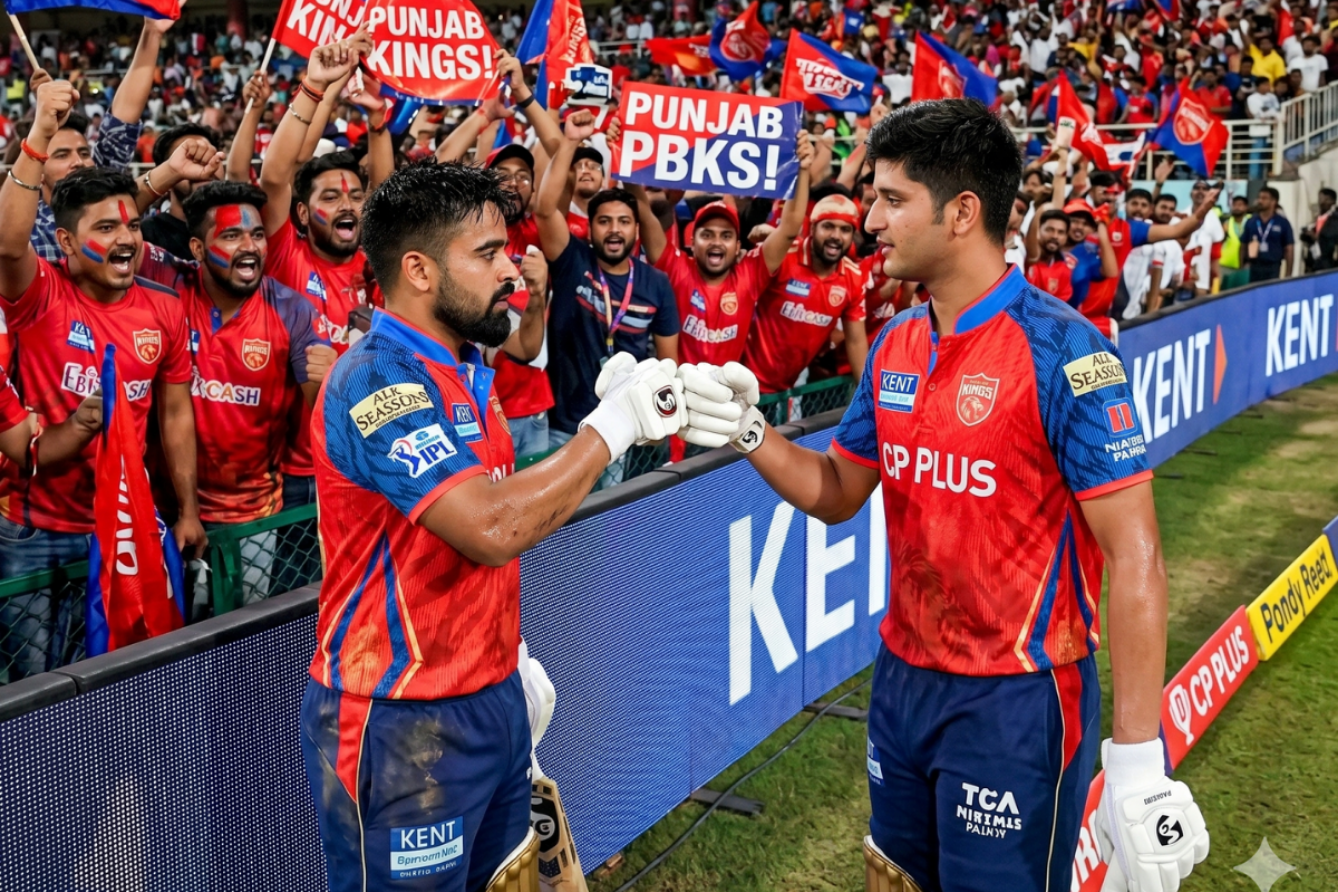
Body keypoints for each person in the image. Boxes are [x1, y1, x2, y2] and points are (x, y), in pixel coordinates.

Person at [674, 99, 1210, 892]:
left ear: (961, 213)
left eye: (892, 200)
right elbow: (838, 491)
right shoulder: (896, 340)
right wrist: (748, 431)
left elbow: (1137, 554)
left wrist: (1135, 761)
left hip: (1017, 697)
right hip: (902, 681)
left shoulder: (1065, 349)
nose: (870, 221)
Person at [302, 161, 683, 892]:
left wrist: (507, 659)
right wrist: (612, 428)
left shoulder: (466, 365)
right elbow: (489, 526)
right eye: (487, 254)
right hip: (402, 717)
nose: (512, 270)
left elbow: (498, 510)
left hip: (490, 693)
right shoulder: (375, 378)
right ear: (419, 270)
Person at [0, 80, 208, 676]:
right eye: (106, 229)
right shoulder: (39, 292)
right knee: (35, 686)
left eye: (132, 227)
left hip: (123, 524)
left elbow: (174, 415)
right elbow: (8, 243)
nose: (126, 241)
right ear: (66, 241)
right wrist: (41, 132)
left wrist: (187, 508)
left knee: (114, 681)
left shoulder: (164, 308)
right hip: (34, 529)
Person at [136, 181, 337, 604]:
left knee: (240, 632)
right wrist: (169, 172)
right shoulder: (168, 282)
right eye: (231, 235)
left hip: (252, 517)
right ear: (197, 247)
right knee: (168, 633)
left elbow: (322, 413)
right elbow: (110, 226)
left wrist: (331, 381)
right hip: (163, 511)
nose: (250, 247)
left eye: (257, 234)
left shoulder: (291, 309)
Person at [534, 109, 680, 476]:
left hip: (620, 430)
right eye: (604, 221)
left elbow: (668, 365)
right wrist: (570, 141)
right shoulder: (571, 259)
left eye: (624, 222)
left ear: (636, 230)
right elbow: (545, 210)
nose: (614, 230)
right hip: (563, 426)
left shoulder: (656, 283)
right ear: (589, 228)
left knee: (609, 512)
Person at [629, 131, 813, 367]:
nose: (716, 242)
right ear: (692, 242)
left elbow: (789, 228)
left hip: (726, 390)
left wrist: (802, 169)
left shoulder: (750, 275)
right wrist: (625, 154)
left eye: (726, 236)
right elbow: (643, 212)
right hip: (677, 388)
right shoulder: (676, 269)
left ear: (738, 247)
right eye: (707, 235)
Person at [27, 17, 170, 261]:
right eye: (62, 155)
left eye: (84, 153)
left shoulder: (102, 186)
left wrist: (152, 33)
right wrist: (43, 121)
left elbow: (123, 116)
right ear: (38, 171)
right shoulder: (26, 227)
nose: (79, 162)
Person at [741, 193, 870, 394]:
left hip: (790, 387)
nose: (836, 236)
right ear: (812, 228)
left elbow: (856, 341)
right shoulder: (784, 256)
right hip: (742, 378)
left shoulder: (854, 278)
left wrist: (868, 396)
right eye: (828, 226)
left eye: (845, 229)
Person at [139, 123, 222, 258]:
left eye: (209, 156)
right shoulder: (148, 235)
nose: (203, 168)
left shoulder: (244, 225)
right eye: (189, 159)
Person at [1242, 186, 1295, 281]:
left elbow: (1289, 248)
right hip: (1254, 266)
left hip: (1273, 267)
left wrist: (1288, 274)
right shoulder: (1251, 221)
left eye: (1264, 198)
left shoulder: (1282, 223)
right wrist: (1242, 265)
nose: (1260, 201)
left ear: (1273, 201)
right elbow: (1243, 244)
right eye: (1259, 197)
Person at [1219, 194, 1252, 288]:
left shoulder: (1252, 221)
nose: (1237, 207)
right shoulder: (1226, 222)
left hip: (1245, 265)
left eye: (1240, 205)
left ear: (1246, 207)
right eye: (1234, 205)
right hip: (1226, 264)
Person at [1300, 186, 1336, 272]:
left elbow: (1330, 238)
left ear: (1332, 201)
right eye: (1320, 199)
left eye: (1325, 199)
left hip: (1327, 263)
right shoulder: (1317, 218)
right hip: (1313, 261)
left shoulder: (1334, 218)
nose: (1321, 202)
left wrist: (1315, 237)